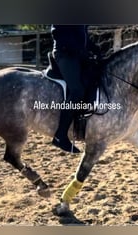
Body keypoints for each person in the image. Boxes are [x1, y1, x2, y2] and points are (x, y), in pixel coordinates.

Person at [50, 25, 100, 153]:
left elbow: (84, 39)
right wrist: (77, 49)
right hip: (65, 53)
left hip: (79, 55)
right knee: (77, 91)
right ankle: (60, 136)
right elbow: (57, 32)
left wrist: (96, 49)